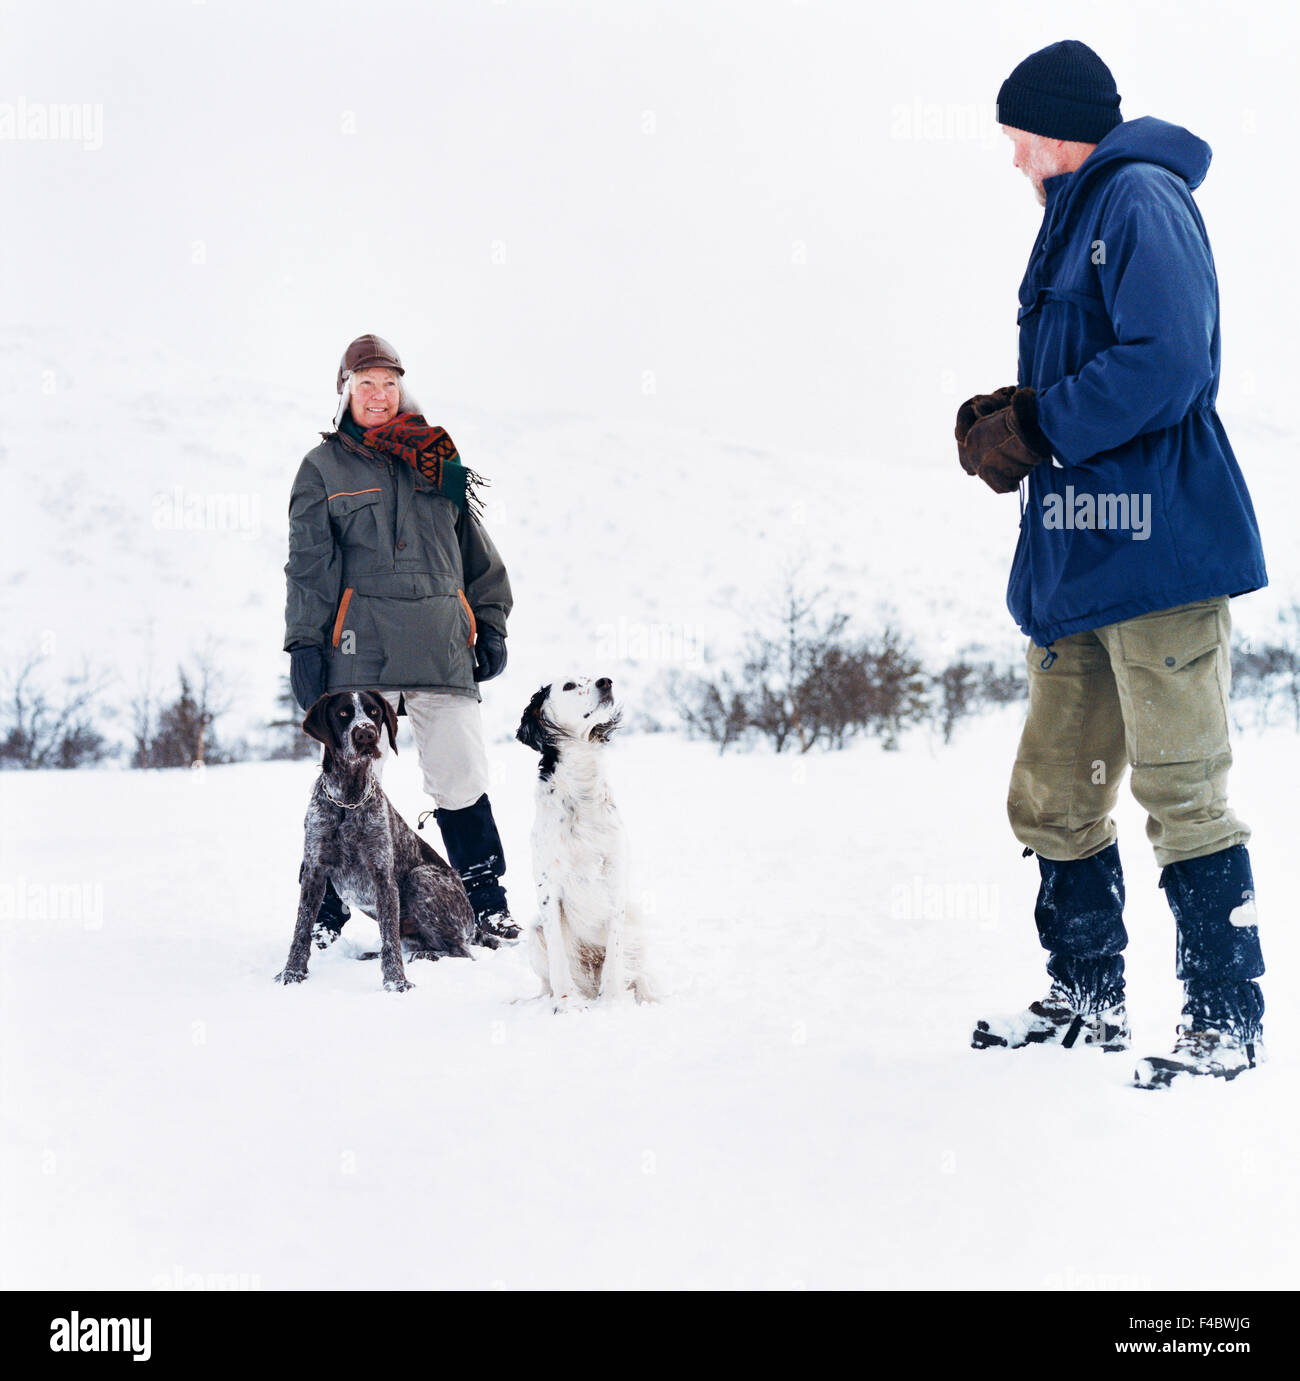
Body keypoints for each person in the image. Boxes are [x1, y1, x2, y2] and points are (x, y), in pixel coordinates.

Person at [956, 42, 1268, 1087]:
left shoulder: (1137, 197)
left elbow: (1168, 361)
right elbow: (1087, 385)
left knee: (1184, 793)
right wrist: (1018, 421)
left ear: (1053, 127)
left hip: (1160, 551)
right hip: (1081, 561)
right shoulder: (1068, 221)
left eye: (1015, 138)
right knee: (1052, 794)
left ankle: (1225, 1021)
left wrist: (1041, 422)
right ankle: (1084, 1000)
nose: (1011, 161)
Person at [284, 334, 518, 944]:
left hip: (442, 641)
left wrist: (489, 622)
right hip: (362, 647)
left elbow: (477, 553)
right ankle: (328, 917)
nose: (379, 395)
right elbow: (309, 567)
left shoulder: (438, 459)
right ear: (345, 393)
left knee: (462, 775)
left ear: (401, 387)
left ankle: (488, 902)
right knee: (347, 781)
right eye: (366, 385)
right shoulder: (322, 469)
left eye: (388, 383)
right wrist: (305, 645)